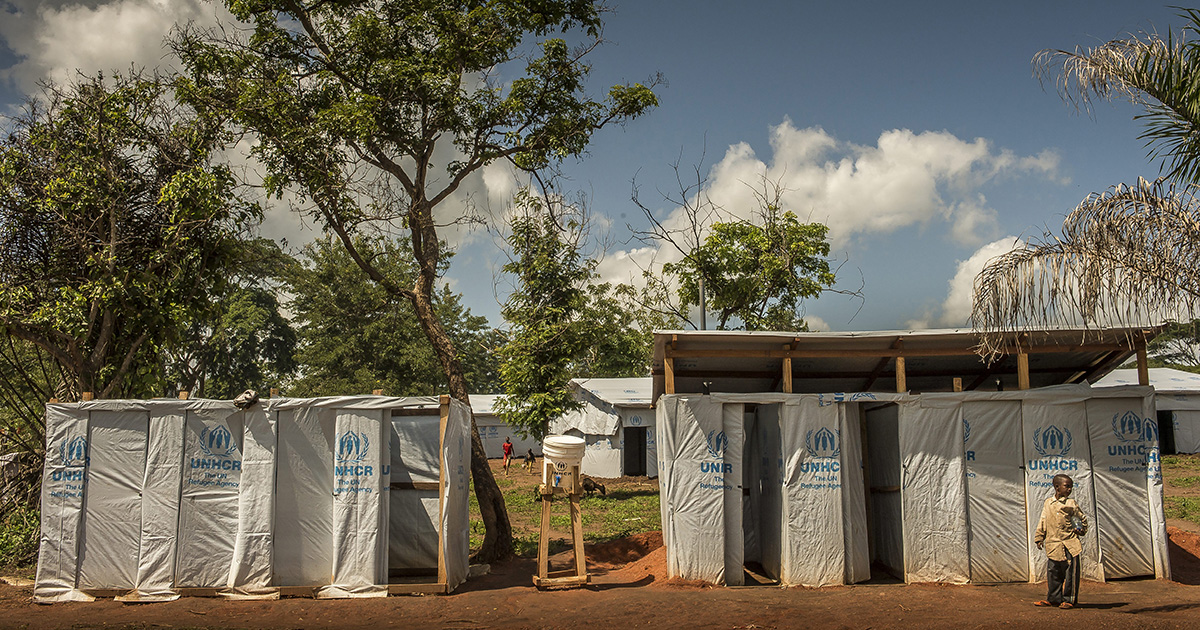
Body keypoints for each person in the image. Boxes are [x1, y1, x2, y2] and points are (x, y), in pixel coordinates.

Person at [1034, 473, 1088, 609]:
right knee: (1053, 572)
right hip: (1053, 545)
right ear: (1057, 487)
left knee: (1071, 574)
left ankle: (1069, 599)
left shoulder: (1071, 504)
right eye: (1067, 486)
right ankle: (1054, 599)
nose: (1069, 489)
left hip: (1070, 544)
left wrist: (1081, 529)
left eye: (1071, 487)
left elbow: (1081, 519)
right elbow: (1043, 520)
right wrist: (1039, 537)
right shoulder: (1048, 503)